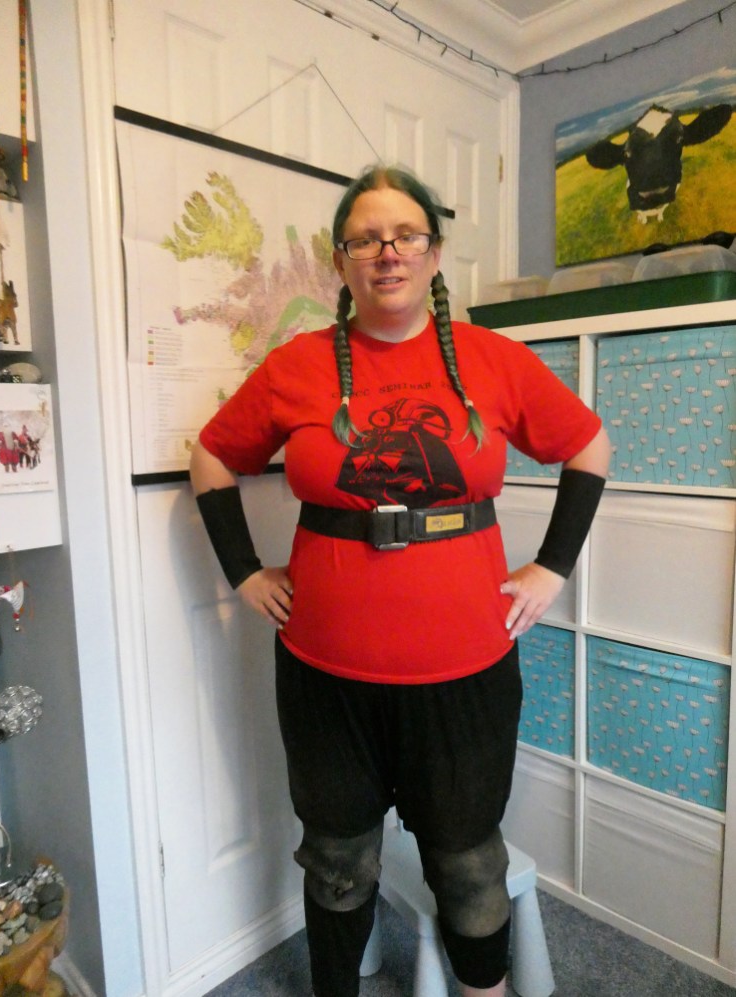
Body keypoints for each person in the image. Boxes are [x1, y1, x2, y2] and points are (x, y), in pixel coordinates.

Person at [190, 165, 611, 997]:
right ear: (341, 259)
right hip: (325, 673)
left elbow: (589, 445)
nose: (387, 251)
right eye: (365, 238)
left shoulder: (493, 360)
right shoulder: (298, 366)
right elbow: (212, 454)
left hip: (465, 670)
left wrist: (552, 567)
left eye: (405, 234)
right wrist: (242, 570)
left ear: (434, 252)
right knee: (340, 858)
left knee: (466, 858)